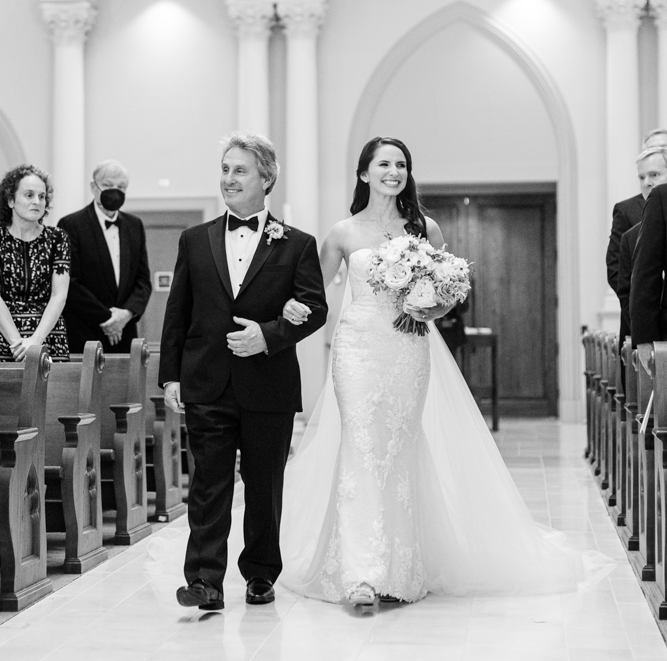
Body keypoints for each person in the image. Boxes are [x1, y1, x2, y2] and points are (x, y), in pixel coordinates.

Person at [278, 136, 611, 608]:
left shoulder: (423, 228)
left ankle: (401, 563)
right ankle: (360, 572)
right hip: (356, 349)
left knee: (398, 445)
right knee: (360, 446)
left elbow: (452, 289)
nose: (393, 172)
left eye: (401, 165)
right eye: (384, 164)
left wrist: (426, 309)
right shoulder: (341, 233)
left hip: (407, 349)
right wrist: (284, 310)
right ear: (363, 173)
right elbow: (311, 291)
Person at [158, 133, 328, 612]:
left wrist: (269, 335)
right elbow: (178, 310)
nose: (228, 179)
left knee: (263, 485)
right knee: (208, 486)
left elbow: (315, 309)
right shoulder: (195, 239)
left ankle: (259, 574)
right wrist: (170, 375)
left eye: (240, 171)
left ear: (266, 179)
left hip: (268, 383)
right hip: (207, 379)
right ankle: (204, 581)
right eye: (225, 169)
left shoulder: (297, 244)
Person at [58, 160, 151, 353]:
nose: (115, 191)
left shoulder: (135, 226)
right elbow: (71, 283)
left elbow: (142, 281)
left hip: (125, 333)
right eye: (108, 185)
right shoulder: (71, 224)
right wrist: (107, 319)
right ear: (94, 187)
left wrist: (126, 314)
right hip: (85, 332)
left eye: (121, 187)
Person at [0, 164, 70, 362]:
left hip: (47, 337)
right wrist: (17, 343)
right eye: (29, 195)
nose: (37, 202)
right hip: (4, 336)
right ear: (11, 200)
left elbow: (59, 295)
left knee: (55, 393)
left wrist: (35, 341)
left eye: (42, 196)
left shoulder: (57, 237)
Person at [606, 128, 667, 297]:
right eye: (651, 150)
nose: (647, 182)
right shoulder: (626, 211)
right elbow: (616, 271)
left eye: (664, 149)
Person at [617, 148, 667, 349]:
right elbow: (644, 280)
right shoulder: (661, 198)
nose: (647, 181)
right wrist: (647, 351)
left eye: (654, 174)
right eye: (642, 177)